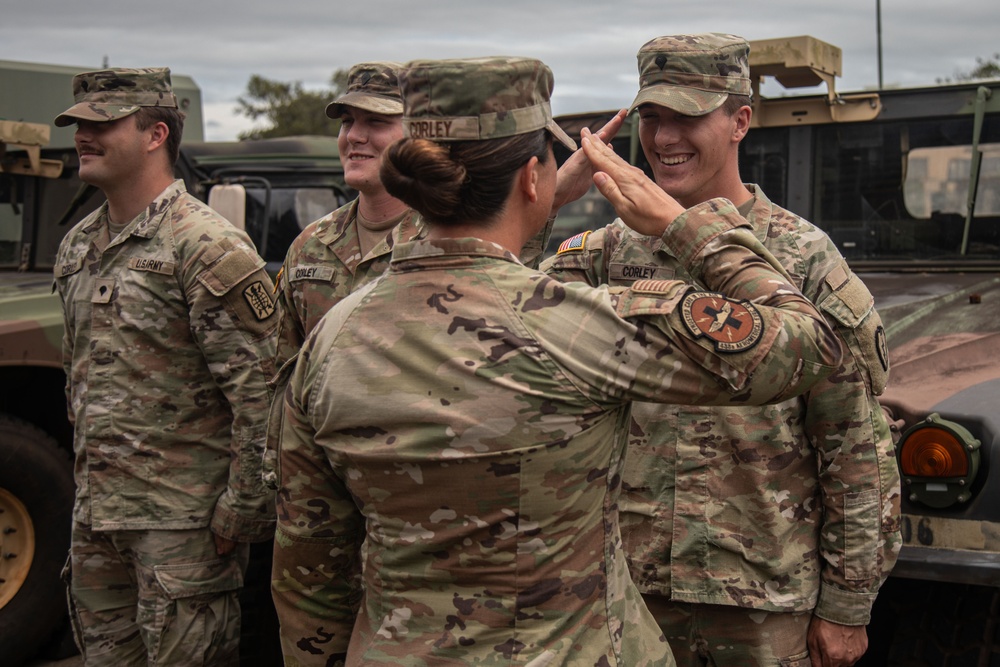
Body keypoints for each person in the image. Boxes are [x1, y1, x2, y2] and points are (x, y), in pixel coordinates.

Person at [271, 55, 844, 666]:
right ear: (531, 176)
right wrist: (689, 231)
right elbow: (808, 343)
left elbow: (310, 572)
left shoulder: (334, 333)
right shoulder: (578, 326)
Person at [542, 33, 901, 667]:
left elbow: (854, 443)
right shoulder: (604, 253)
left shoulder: (801, 255)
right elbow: (487, 316)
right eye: (652, 117)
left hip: (759, 596)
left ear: (740, 121)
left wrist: (848, 604)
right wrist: (549, 201)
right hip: (622, 587)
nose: (665, 137)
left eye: (687, 116)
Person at [53, 67, 278, 666]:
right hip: (98, 517)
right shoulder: (78, 245)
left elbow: (261, 391)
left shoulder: (205, 246)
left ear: (156, 134)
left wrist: (243, 509)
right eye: (79, 124)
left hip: (184, 526)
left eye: (103, 125)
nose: (83, 136)